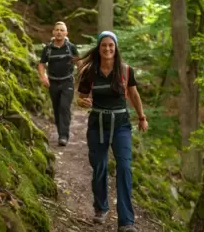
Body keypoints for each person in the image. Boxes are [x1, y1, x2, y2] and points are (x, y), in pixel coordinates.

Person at [76, 30, 148, 232]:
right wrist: (83, 102)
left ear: (115, 49)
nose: (107, 48)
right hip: (97, 124)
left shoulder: (125, 70)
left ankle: (126, 222)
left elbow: (133, 94)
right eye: (104, 45)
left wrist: (142, 117)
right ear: (98, 49)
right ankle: (101, 207)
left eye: (111, 45)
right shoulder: (89, 72)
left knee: (124, 168)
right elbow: (80, 98)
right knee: (99, 167)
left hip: (121, 125)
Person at [38, 21, 79, 146]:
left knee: (64, 107)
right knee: (56, 109)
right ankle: (61, 131)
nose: (59, 32)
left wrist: (83, 77)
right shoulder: (48, 49)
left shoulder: (71, 47)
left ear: (66, 33)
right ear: (53, 32)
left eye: (62, 30)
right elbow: (41, 64)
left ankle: (63, 136)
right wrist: (43, 77)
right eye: (57, 30)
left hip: (68, 82)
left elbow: (79, 63)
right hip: (53, 83)